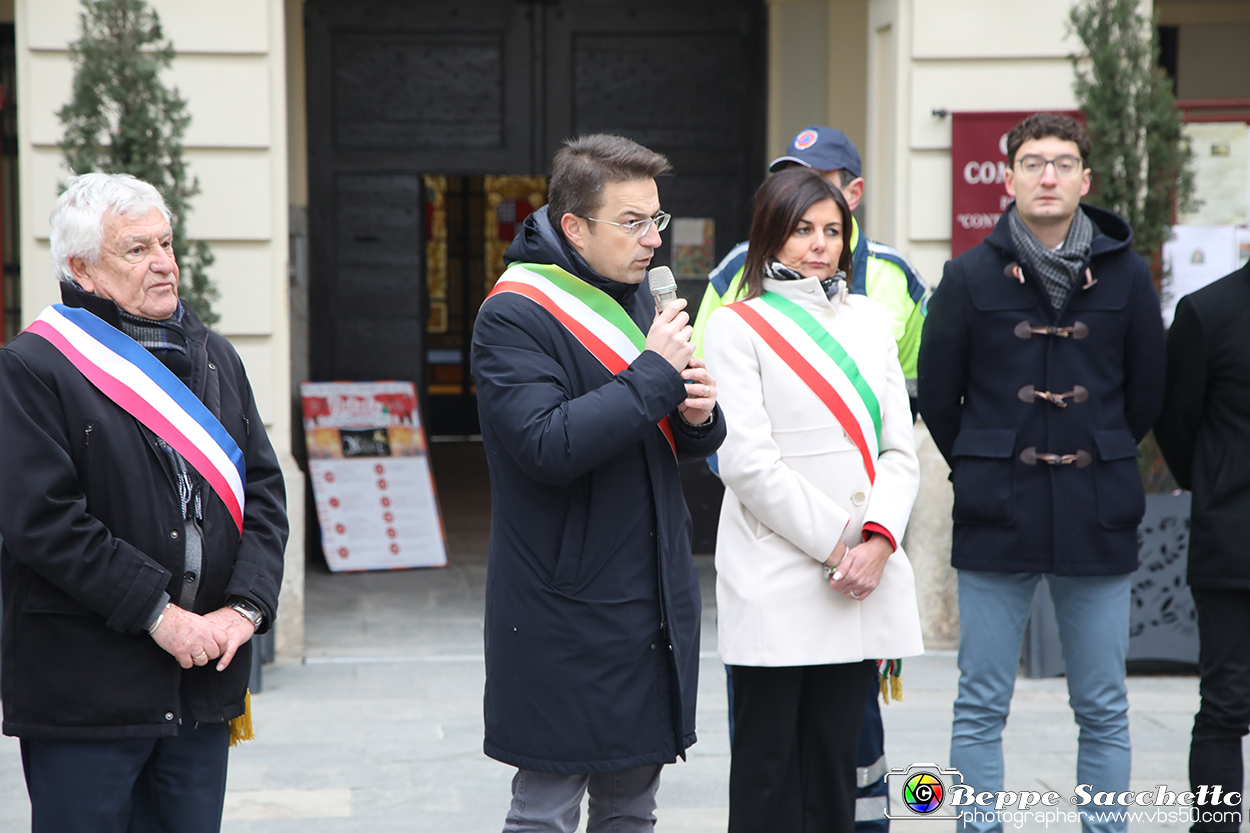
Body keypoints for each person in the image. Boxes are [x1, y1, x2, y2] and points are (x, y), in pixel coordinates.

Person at [0, 172, 288, 832]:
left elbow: (264, 492)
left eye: (165, 241)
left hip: (201, 687)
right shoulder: (33, 368)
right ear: (81, 269)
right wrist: (162, 614)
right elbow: (42, 521)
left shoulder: (214, 354)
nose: (164, 262)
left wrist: (245, 607)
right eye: (136, 249)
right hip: (87, 693)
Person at [918, 113, 1165, 833]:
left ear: (1084, 181)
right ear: (1009, 178)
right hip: (999, 507)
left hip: (1098, 507)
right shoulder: (967, 275)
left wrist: (1103, 448)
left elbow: (1146, 389)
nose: (1047, 175)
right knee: (980, 700)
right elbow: (939, 393)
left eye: (1061, 163)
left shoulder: (1128, 272)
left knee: (1103, 702)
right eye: (1032, 163)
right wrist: (984, 460)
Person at [470, 134, 725, 833]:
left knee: (632, 809)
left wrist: (699, 415)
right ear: (574, 226)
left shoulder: (640, 294)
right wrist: (653, 375)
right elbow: (546, 444)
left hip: (651, 600)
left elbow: (666, 426)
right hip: (565, 604)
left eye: (657, 220)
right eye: (633, 222)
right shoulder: (514, 313)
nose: (652, 241)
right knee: (545, 810)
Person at [692, 125, 923, 828]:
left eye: (831, 228)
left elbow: (898, 449)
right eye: (801, 229)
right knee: (766, 773)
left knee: (834, 769)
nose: (820, 243)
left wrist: (878, 542)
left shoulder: (873, 319)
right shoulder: (737, 324)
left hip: (860, 574)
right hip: (782, 573)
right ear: (770, 236)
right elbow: (746, 462)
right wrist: (839, 549)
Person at [692, 125, 927, 403]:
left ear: (853, 193)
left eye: (818, 180)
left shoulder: (896, 275)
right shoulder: (739, 267)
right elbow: (701, 375)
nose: (805, 192)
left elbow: (911, 389)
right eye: (794, 180)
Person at [1154, 260, 1250, 833]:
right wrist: (1213, 483)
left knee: (1222, 706)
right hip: (1232, 548)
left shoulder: (1206, 309)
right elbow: (1176, 420)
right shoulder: (1207, 311)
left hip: (1227, 530)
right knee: (1225, 707)